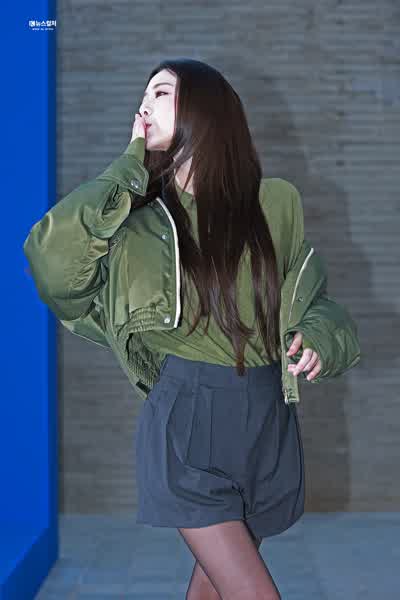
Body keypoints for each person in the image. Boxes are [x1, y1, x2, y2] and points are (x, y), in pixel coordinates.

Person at [23, 58, 361, 600]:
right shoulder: (135, 223)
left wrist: (319, 338)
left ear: (205, 107)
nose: (144, 104)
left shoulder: (275, 202)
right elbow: (54, 263)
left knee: (214, 591)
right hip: (187, 418)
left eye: (160, 92)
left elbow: (311, 298)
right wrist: (129, 166)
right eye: (142, 96)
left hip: (266, 418)